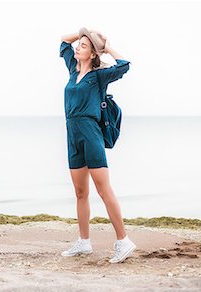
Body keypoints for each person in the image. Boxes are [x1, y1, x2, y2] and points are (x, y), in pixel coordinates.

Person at [59, 27, 136, 263]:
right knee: (80, 192)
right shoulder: (73, 70)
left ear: (93, 54)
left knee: (104, 190)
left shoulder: (98, 76)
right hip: (72, 134)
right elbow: (63, 41)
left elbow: (124, 65)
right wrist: (82, 32)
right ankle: (83, 242)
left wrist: (105, 46)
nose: (77, 47)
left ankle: (123, 241)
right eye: (79, 45)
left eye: (83, 46)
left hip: (91, 133)